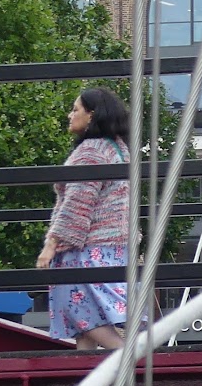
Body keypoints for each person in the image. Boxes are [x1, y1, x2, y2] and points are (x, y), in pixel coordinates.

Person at [37, 86, 134, 350]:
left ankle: (135, 361)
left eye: (75, 109)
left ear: (92, 115)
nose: (70, 115)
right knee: (85, 329)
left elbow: (77, 204)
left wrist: (51, 245)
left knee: (83, 317)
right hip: (113, 248)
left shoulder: (90, 151)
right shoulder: (118, 149)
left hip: (87, 249)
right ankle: (87, 373)